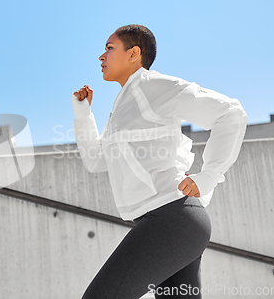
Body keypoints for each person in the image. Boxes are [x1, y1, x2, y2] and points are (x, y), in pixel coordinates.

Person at [71, 24, 248, 298]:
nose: (101, 57)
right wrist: (83, 115)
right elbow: (95, 160)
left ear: (134, 54)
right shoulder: (122, 105)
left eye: (109, 48)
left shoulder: (153, 87)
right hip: (168, 223)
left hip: (171, 216)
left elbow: (230, 113)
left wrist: (210, 175)